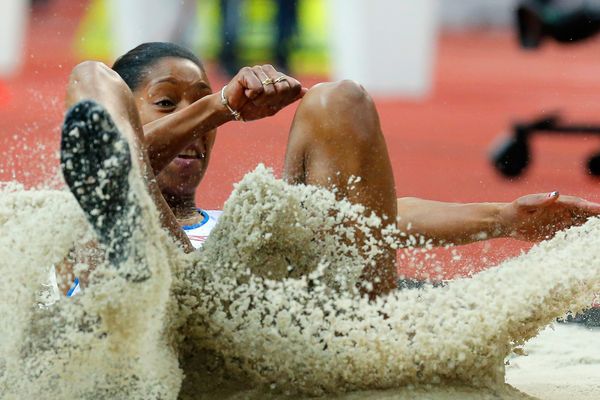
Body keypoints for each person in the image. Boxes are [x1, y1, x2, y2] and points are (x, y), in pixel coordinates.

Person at [58, 42, 600, 299]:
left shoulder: (238, 222)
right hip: (147, 298)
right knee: (92, 78)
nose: (194, 126)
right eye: (166, 103)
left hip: (234, 319)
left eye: (196, 104)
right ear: (129, 121)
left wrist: (505, 217)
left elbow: (378, 218)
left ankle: (356, 339)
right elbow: (113, 139)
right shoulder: (69, 221)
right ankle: (133, 233)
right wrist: (220, 104)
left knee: (339, 101)